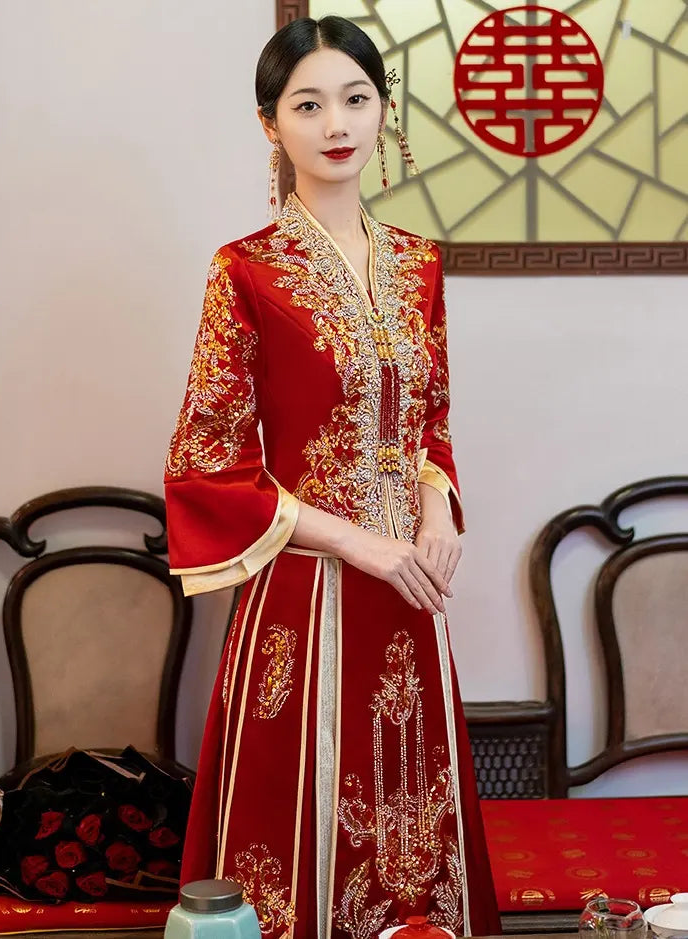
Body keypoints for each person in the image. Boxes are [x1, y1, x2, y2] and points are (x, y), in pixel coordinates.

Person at [164, 15, 500, 939]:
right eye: (308, 104)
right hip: (305, 594)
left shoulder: (418, 265)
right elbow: (208, 461)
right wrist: (362, 543)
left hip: (411, 592)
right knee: (303, 833)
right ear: (272, 125)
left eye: (356, 99)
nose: (336, 122)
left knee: (411, 832)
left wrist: (437, 511)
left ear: (384, 111)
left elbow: (429, 421)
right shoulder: (246, 272)